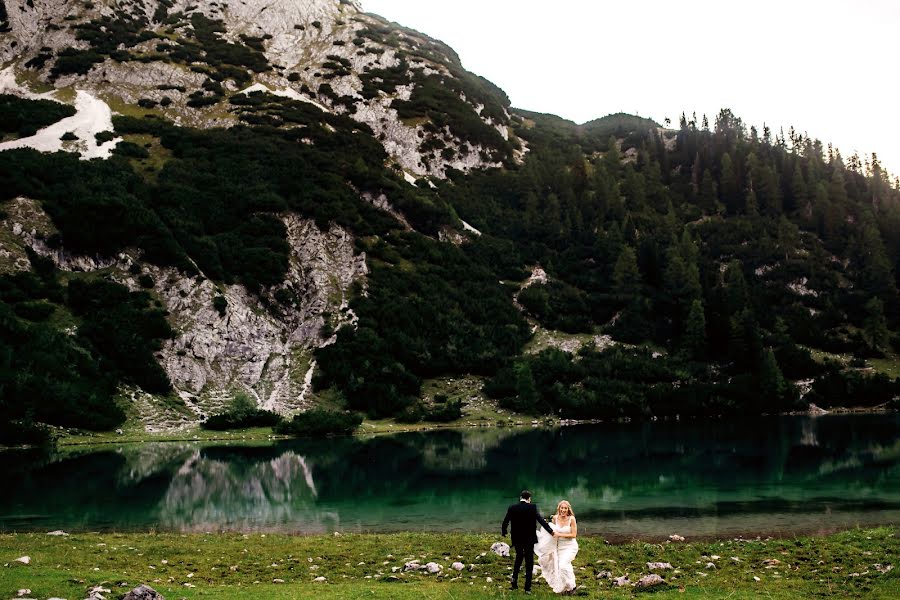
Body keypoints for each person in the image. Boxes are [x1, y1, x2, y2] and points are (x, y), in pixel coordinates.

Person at [502, 490, 554, 592]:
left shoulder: (512, 508)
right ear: (529, 499)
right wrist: (550, 531)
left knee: (519, 557)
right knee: (529, 561)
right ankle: (527, 587)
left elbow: (506, 521)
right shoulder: (532, 507)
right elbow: (540, 520)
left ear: (520, 498)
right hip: (529, 538)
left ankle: (514, 581)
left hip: (517, 538)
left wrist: (504, 532)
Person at [534, 499, 579, 594]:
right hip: (559, 547)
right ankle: (570, 586)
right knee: (563, 566)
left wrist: (559, 534)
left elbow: (574, 534)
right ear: (559, 508)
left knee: (563, 565)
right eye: (562, 508)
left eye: (565, 508)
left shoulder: (572, 519)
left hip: (570, 546)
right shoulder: (555, 518)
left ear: (568, 509)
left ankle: (572, 586)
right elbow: (552, 531)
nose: (563, 510)